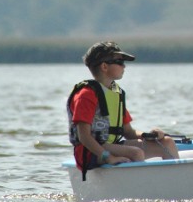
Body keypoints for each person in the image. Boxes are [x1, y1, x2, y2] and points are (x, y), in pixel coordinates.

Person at [66, 41, 178, 180]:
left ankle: (174, 182)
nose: (124, 66)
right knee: (136, 153)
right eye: (119, 61)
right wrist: (108, 157)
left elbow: (129, 132)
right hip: (89, 152)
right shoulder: (86, 95)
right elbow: (84, 137)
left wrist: (149, 135)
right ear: (104, 66)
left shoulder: (115, 93)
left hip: (112, 145)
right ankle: (142, 188)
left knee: (167, 142)